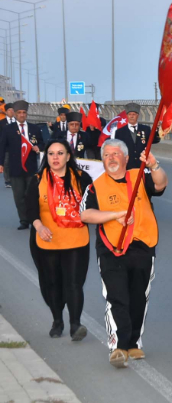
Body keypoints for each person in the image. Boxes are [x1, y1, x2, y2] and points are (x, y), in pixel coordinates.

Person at [80, 139, 167, 368]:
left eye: (116, 154)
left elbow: (160, 185)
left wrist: (154, 165)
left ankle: (133, 343)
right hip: (112, 249)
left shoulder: (139, 177)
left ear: (126, 159)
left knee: (139, 298)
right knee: (117, 297)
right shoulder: (96, 186)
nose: (111, 158)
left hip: (142, 247)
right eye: (107, 154)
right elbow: (86, 215)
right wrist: (115, 215)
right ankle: (117, 347)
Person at [26, 140, 92, 340]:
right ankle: (57, 320)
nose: (55, 158)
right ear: (46, 157)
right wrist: (39, 226)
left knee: (74, 283)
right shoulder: (38, 180)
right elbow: (31, 209)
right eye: (51, 153)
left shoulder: (82, 178)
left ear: (68, 156)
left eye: (60, 153)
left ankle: (75, 325)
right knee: (52, 283)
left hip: (76, 239)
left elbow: (93, 205)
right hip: (48, 239)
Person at [0, 101, 44, 230]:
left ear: (26, 114)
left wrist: (38, 147)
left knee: (32, 194)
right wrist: (0, 163)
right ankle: (24, 220)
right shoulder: (8, 129)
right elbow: (2, 146)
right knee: (19, 196)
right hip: (15, 167)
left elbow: (42, 143)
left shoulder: (34, 128)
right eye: (19, 112)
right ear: (15, 113)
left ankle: (34, 219)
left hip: (31, 167)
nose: (22, 115)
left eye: (24, 112)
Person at [113, 103, 160, 170]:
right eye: (130, 114)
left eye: (134, 114)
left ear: (137, 116)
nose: (132, 116)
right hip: (127, 166)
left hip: (143, 165)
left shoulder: (145, 129)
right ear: (127, 116)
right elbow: (117, 149)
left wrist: (156, 129)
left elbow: (154, 140)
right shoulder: (120, 132)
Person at [0, 103, 15, 189]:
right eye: (9, 110)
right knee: (6, 163)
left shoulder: (17, 121)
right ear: (6, 112)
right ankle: (7, 180)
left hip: (16, 146)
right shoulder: (2, 123)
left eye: (13, 110)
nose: (11, 112)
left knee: (15, 163)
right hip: (6, 146)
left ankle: (14, 179)